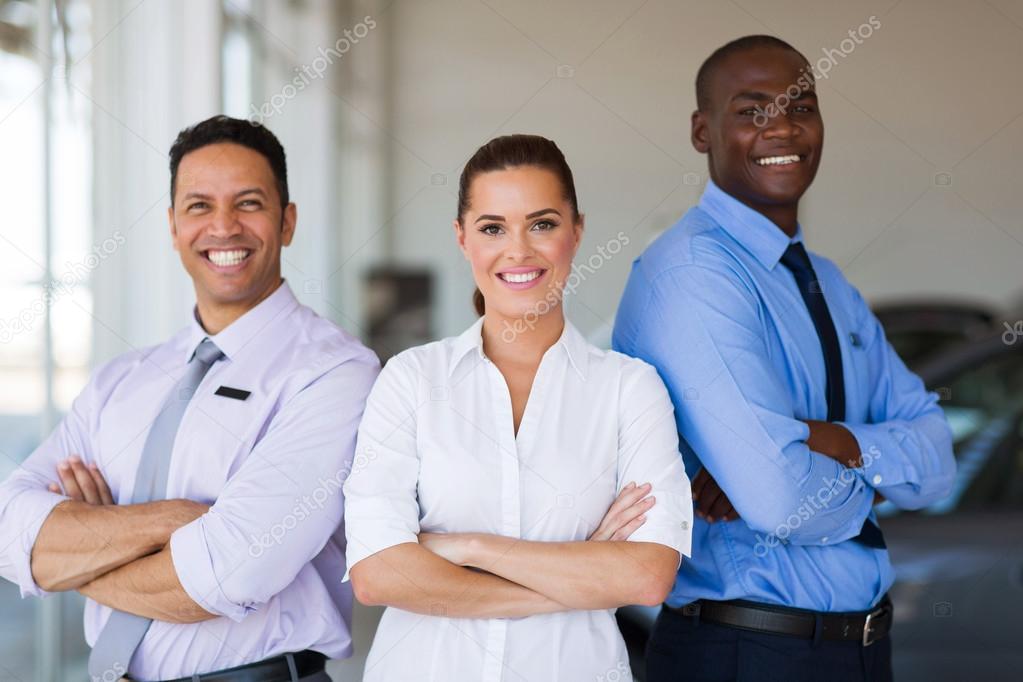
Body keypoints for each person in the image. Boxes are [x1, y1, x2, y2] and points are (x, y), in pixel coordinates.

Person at [613, 35, 956, 681]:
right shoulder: (691, 274)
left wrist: (822, 441)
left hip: (856, 648)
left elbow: (939, 459)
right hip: (746, 650)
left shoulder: (828, 283)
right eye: (750, 110)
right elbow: (777, 496)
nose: (782, 127)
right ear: (700, 131)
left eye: (800, 105)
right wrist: (877, 475)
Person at [0, 115, 379, 681]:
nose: (223, 227)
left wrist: (77, 555)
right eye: (199, 206)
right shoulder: (120, 380)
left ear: (288, 221)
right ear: (174, 225)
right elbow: (11, 535)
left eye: (248, 203)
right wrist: (176, 522)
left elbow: (228, 574)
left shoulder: (335, 374)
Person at [342, 134, 693, 681]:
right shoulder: (411, 380)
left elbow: (647, 577)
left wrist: (469, 547)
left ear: (576, 231)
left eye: (543, 224)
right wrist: (578, 576)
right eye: (492, 228)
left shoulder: (630, 389)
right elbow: (379, 575)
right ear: (463, 238)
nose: (518, 250)